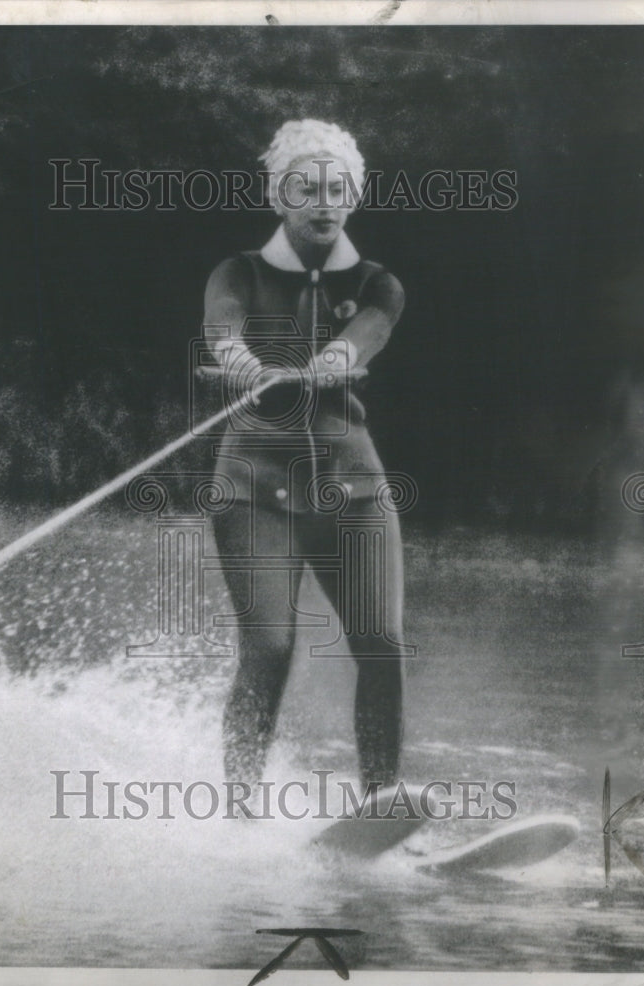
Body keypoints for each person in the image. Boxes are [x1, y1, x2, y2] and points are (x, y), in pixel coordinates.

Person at [202, 120, 407, 793]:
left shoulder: (381, 282)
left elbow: (368, 331)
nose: (324, 201)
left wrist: (337, 359)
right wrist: (235, 359)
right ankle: (237, 810)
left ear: (354, 197)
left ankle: (381, 805)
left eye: (337, 189)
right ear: (279, 196)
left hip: (353, 489)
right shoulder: (236, 271)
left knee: (382, 644)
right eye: (307, 188)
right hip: (254, 487)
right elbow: (223, 323)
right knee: (270, 649)